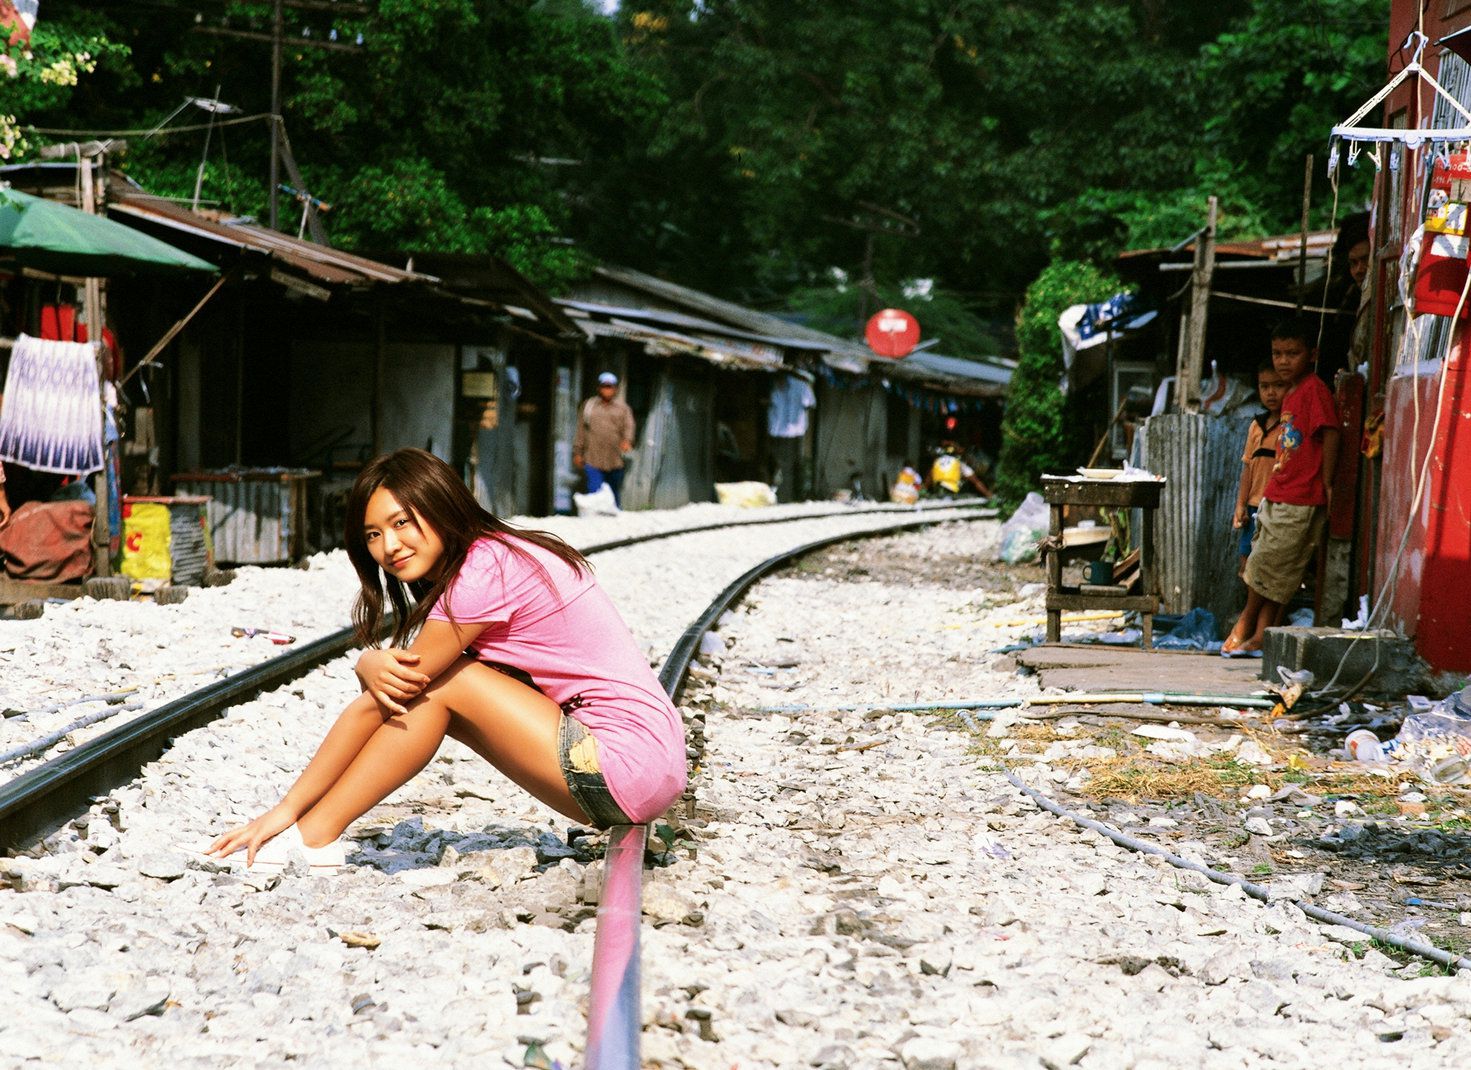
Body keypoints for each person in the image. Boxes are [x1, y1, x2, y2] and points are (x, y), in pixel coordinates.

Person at [209, 448, 687, 871]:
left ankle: (311, 835)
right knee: (429, 690)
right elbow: (397, 689)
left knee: (437, 685)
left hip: (623, 765)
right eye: (373, 534)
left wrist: (284, 808)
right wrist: (374, 664)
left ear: (441, 507)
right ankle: (315, 835)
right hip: (640, 767)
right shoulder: (496, 555)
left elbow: (382, 700)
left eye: (402, 523)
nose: (389, 547)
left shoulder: (487, 569)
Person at [1223, 321, 1339, 656]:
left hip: (1302, 494)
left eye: (1293, 353)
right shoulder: (1291, 394)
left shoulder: (1314, 390)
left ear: (1312, 355)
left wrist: (1327, 481)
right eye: (1277, 354)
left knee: (1276, 565)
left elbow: (1330, 432)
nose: (1284, 361)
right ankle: (1258, 631)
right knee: (1263, 562)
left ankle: (1248, 626)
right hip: (1279, 489)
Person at [1231, 361, 1286, 576]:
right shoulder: (1256, 426)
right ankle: (1250, 609)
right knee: (1246, 563)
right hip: (1254, 507)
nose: (1271, 393)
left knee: (1273, 569)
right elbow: (1248, 468)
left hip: (1277, 507)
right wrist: (1240, 505)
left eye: (1278, 386)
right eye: (1264, 386)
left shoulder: (1290, 426)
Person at [572, 372, 635, 507]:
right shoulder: (589, 406)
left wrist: (627, 440)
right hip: (592, 458)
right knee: (594, 492)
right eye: (604, 386)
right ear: (599, 388)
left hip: (615, 459)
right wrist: (577, 452)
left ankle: (614, 521)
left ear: (615, 389)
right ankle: (595, 523)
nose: (607, 389)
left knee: (613, 494)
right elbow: (581, 430)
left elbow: (629, 427)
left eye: (610, 386)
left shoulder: (623, 409)